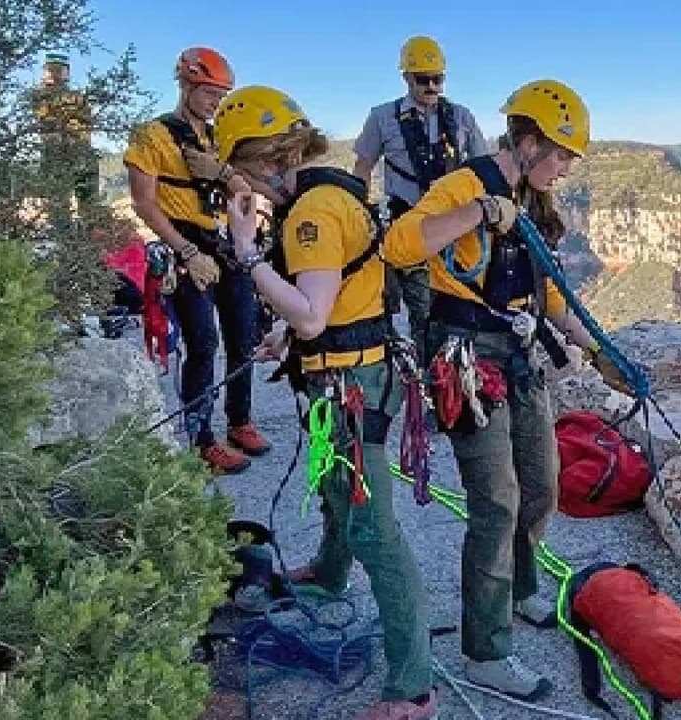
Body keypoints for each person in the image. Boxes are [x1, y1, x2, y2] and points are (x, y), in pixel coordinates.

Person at [383, 79, 624, 700]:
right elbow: (400, 245)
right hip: (467, 357)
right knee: (496, 501)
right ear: (529, 141)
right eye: (562, 154)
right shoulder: (466, 185)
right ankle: (485, 652)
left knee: (541, 484)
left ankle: (517, 590)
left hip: (517, 354)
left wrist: (599, 351)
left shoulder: (533, 201)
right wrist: (480, 212)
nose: (567, 168)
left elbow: (549, 297)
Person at [219, 84, 438, 720]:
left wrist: (247, 253)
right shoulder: (333, 193)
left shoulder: (309, 214)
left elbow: (313, 313)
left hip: (348, 387)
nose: (241, 185)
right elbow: (338, 292)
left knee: (376, 529)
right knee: (333, 488)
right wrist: (284, 335)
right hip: (347, 377)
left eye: (241, 170)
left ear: (266, 159)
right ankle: (329, 570)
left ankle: (414, 686)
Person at [124, 47, 271, 472]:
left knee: (244, 336)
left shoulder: (217, 138)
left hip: (220, 239)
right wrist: (186, 251)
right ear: (186, 85)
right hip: (183, 241)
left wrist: (222, 173)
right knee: (203, 343)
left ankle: (239, 420)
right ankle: (201, 439)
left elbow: (245, 192)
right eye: (209, 93)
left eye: (221, 96)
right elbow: (144, 204)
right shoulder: (151, 136)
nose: (215, 103)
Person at [353, 35, 489, 350]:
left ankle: (453, 363)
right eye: (423, 80)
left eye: (437, 79)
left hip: (454, 226)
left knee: (458, 303)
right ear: (406, 78)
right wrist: (359, 213)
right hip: (408, 223)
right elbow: (363, 167)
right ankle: (425, 365)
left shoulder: (461, 118)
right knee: (422, 308)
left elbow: (483, 168)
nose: (431, 87)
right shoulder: (382, 118)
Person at [34, 53, 97, 227]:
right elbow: (45, 123)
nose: (54, 74)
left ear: (66, 72)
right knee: (59, 206)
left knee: (87, 204)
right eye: (51, 69)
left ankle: (88, 234)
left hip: (79, 153)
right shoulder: (41, 95)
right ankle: (65, 236)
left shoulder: (77, 96)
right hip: (58, 154)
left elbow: (87, 123)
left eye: (58, 70)